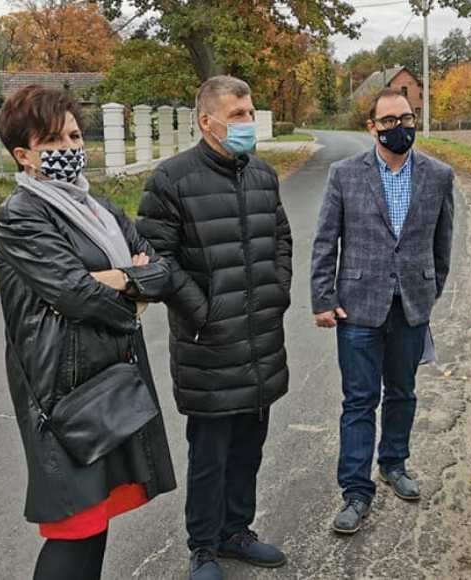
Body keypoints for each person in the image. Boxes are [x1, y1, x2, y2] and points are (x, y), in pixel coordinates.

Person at [0, 85, 179, 580]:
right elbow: (75, 294)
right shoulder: (21, 215)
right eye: (52, 140)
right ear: (24, 155)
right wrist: (132, 292)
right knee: (74, 527)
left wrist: (117, 279)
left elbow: (163, 271)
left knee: (96, 521)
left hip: (109, 377)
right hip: (62, 390)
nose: (70, 148)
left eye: (74, 136)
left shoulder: (101, 210)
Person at [137, 76, 292, 580]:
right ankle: (203, 546)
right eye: (238, 115)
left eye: (250, 112)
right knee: (210, 453)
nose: (249, 122)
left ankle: (236, 531)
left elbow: (281, 237)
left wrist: (277, 290)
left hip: (261, 338)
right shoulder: (172, 180)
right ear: (207, 121)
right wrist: (203, 312)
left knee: (249, 446)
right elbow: (156, 259)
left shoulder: (263, 175)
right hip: (208, 345)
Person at [310, 88, 454, 534]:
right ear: (372, 127)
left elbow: (443, 245)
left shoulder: (438, 175)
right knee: (359, 400)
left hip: (410, 305)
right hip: (357, 307)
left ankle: (394, 462)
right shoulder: (344, 174)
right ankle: (356, 491)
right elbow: (325, 240)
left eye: (406, 119)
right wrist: (323, 298)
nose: (399, 128)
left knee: (403, 392)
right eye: (389, 121)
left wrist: (428, 293)